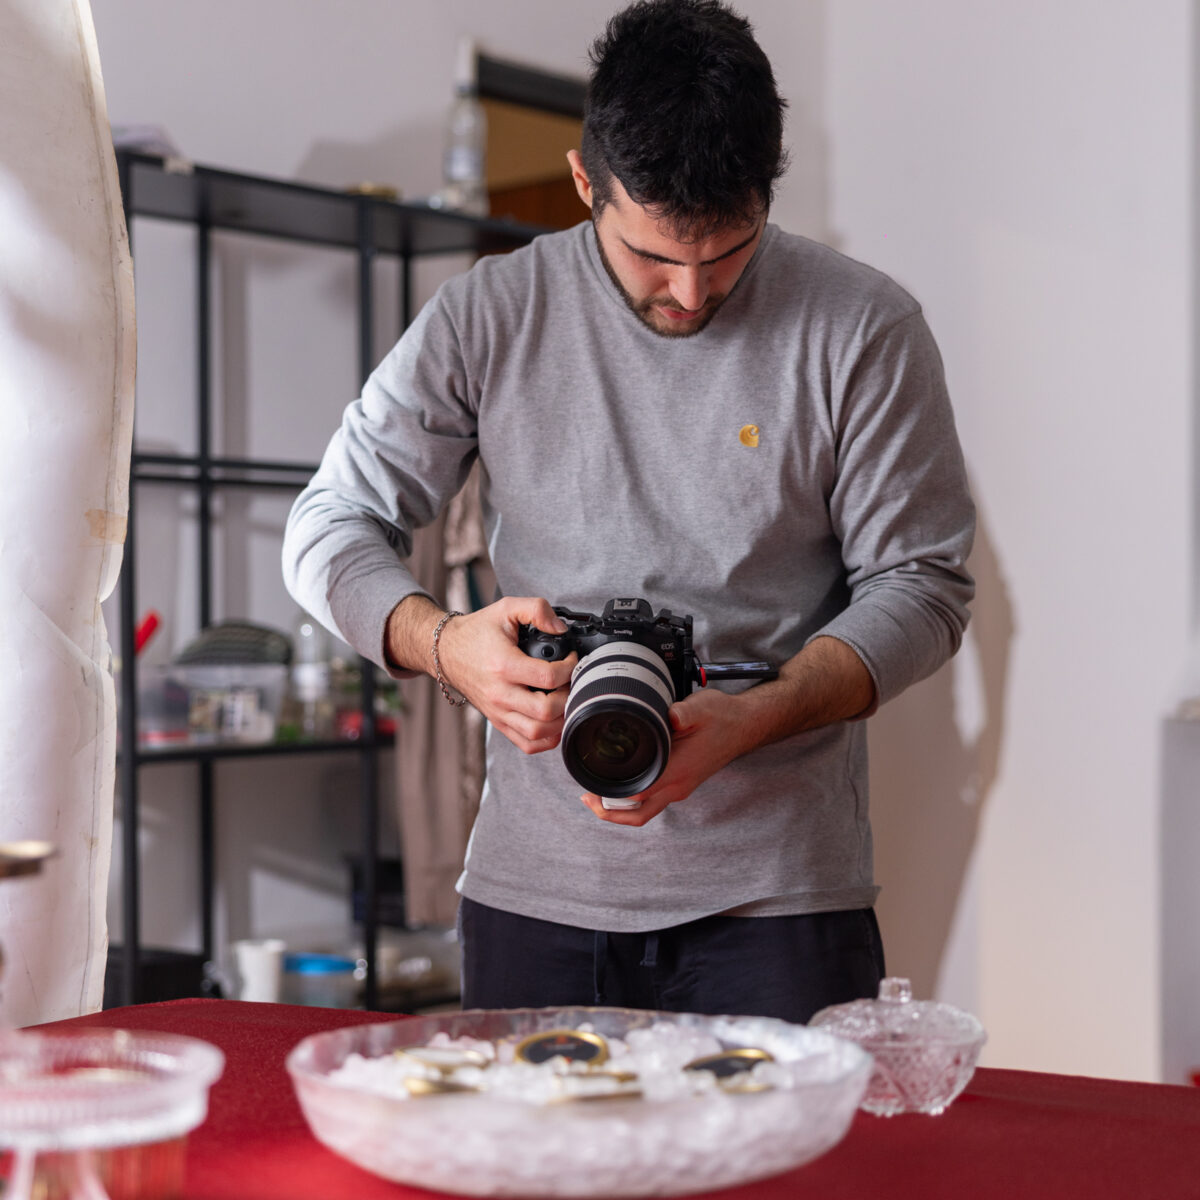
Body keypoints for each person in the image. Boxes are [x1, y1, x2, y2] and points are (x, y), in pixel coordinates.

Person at [283, 0, 975, 1021]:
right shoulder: (489, 315)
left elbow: (923, 584)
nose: (690, 296)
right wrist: (442, 645)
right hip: (534, 898)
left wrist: (754, 716)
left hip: (779, 902)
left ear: (768, 192)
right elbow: (328, 520)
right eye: (653, 256)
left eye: (728, 252)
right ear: (582, 183)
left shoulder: (864, 328)